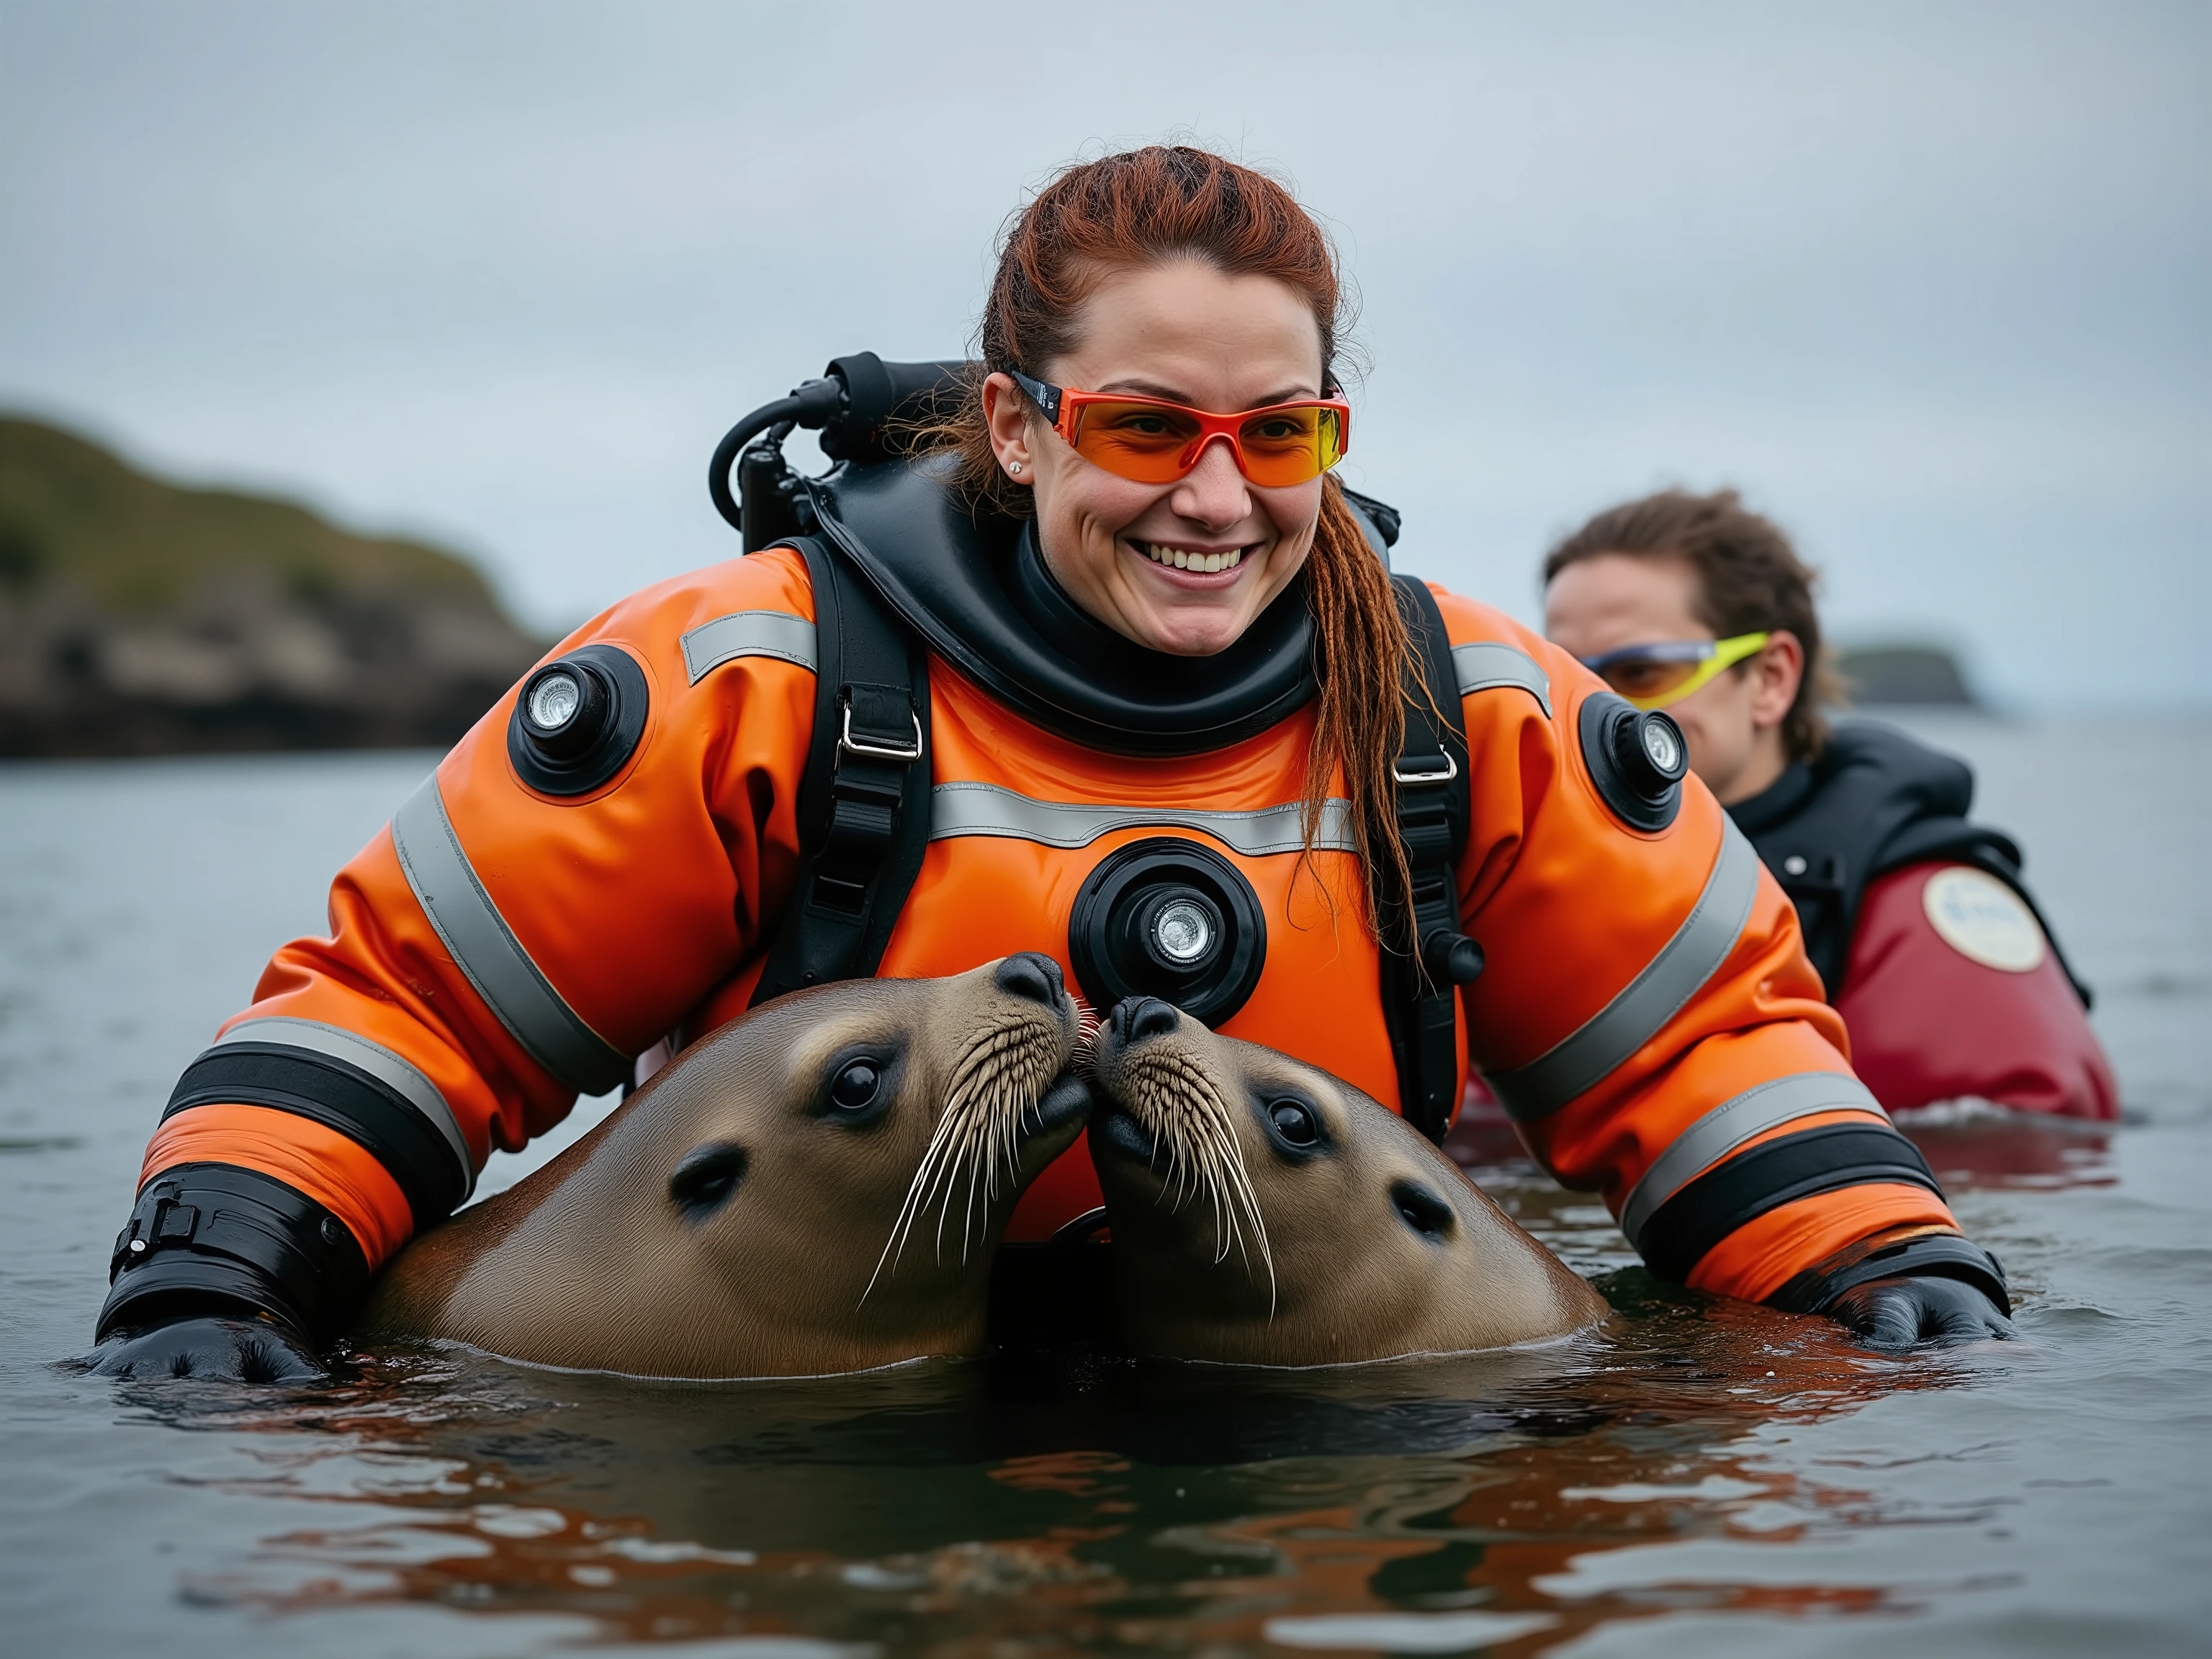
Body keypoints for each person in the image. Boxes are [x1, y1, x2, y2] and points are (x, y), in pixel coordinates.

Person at [92, 149, 2014, 1382]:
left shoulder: (1470, 714)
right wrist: (216, 1274)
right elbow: (413, 1015)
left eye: (1282, 436)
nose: (1215, 493)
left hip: (1315, 1440)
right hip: (808, 1417)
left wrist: (1881, 1264)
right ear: (1014, 425)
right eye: (1147, 423)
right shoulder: (750, 675)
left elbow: (1707, 1056)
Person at [1542, 487, 2116, 1124]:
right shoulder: (1532, 887)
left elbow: (2024, 1163)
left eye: (1642, 671)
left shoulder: (1915, 906)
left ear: (1769, 679)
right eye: (1562, 676)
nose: (1589, 710)